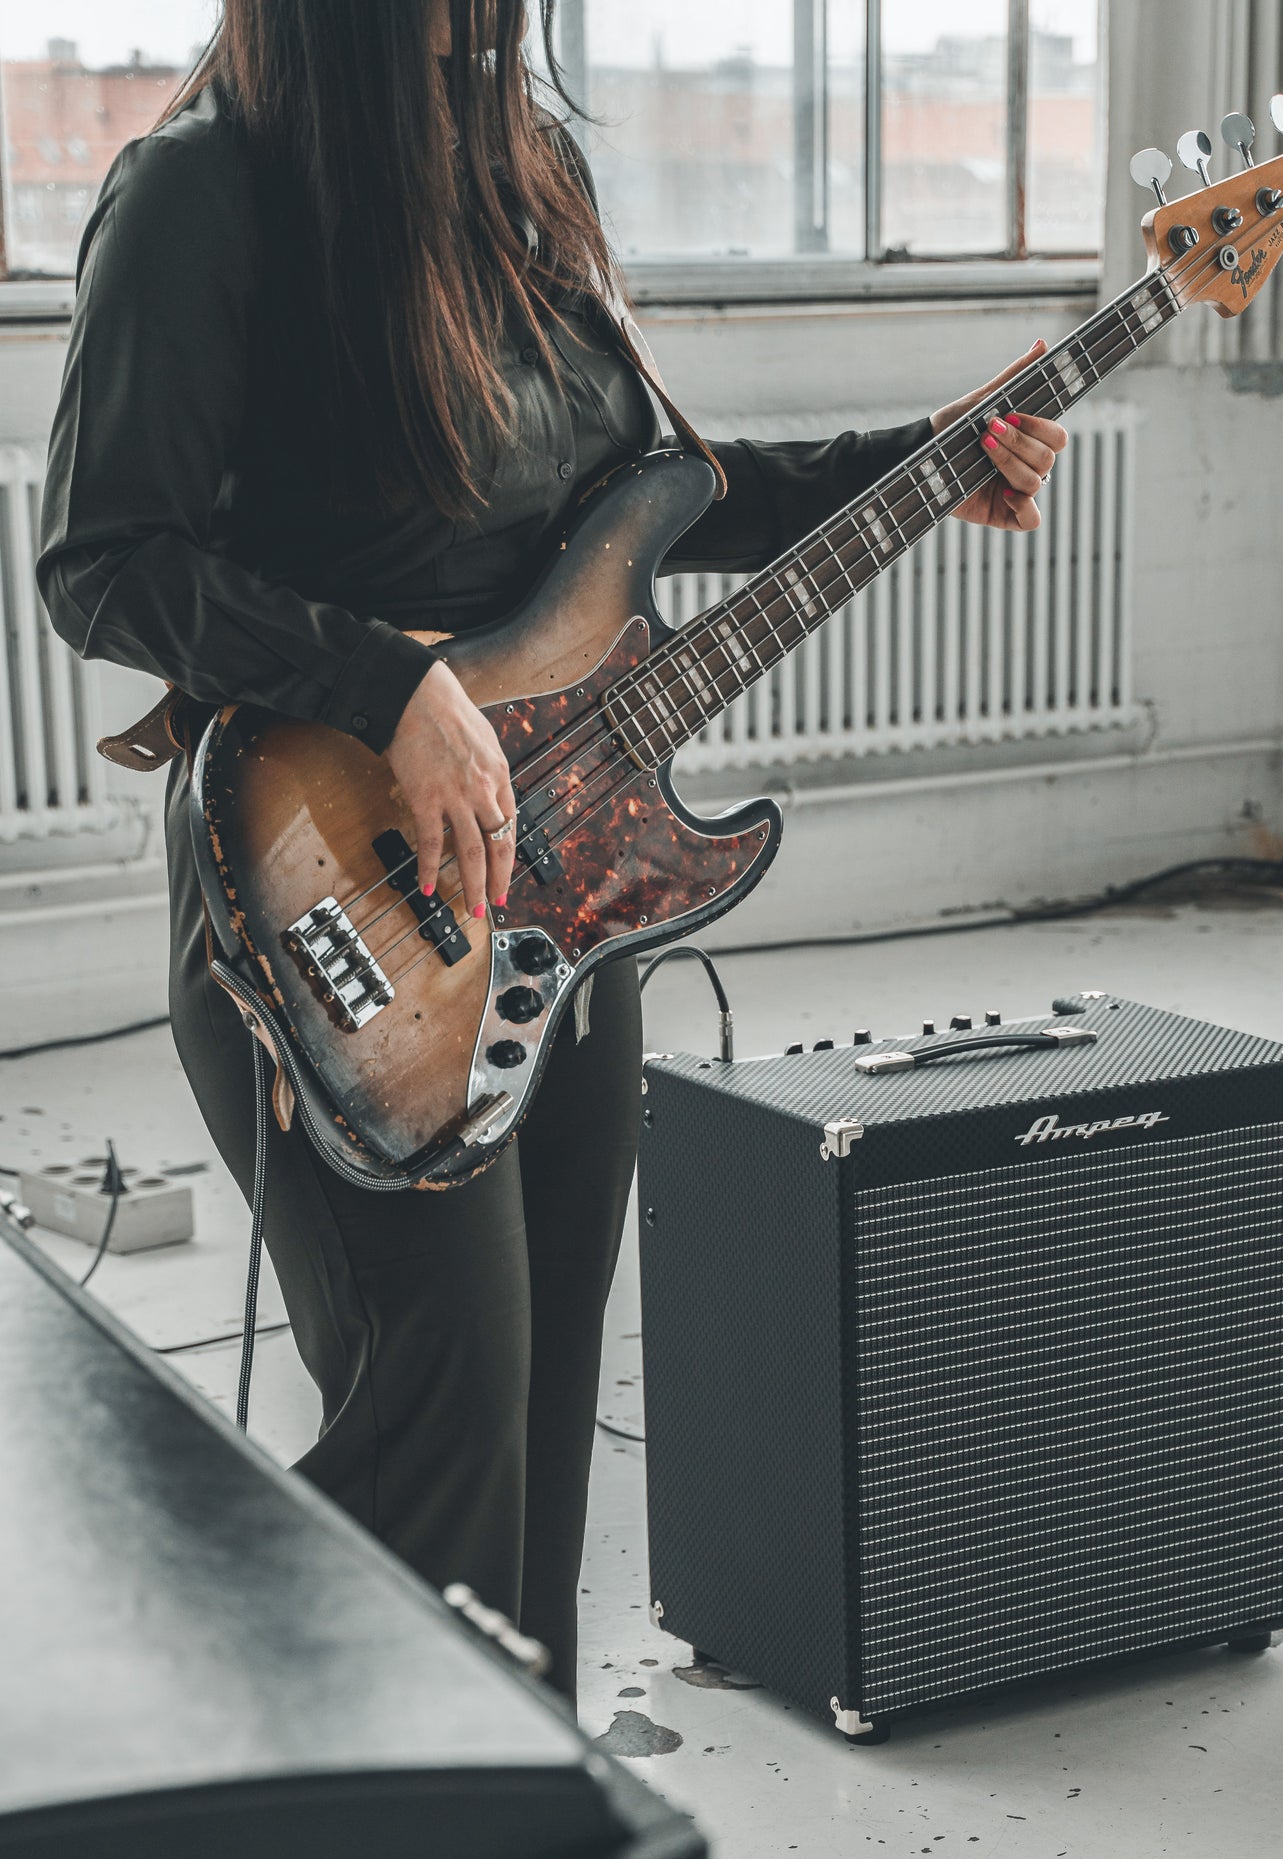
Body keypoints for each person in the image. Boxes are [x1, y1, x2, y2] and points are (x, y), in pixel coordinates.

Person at [38, 0, 1063, 1708]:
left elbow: (642, 502)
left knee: (537, 1428)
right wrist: (388, 685)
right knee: (439, 1424)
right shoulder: (202, 189)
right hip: (324, 896)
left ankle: (531, 1806)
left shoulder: (515, 163)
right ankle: (253, 1778)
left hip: (564, 897)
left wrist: (923, 464)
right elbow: (101, 561)